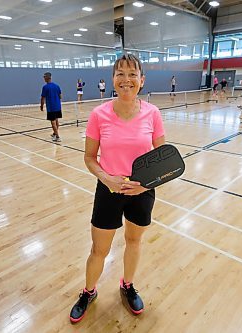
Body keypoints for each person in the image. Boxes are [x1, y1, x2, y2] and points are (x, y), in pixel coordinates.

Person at [69, 54, 165, 323]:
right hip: (108, 191)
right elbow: (89, 157)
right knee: (99, 250)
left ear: (141, 80)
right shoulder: (99, 114)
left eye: (132, 74)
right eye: (120, 74)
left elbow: (163, 158)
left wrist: (145, 184)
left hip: (141, 192)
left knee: (134, 241)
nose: (126, 79)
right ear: (112, 80)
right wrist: (107, 179)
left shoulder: (153, 114)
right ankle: (89, 291)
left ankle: (127, 285)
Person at [40, 72, 63, 142]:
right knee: (56, 121)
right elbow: (60, 96)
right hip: (58, 107)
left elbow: (42, 98)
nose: (43, 78)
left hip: (51, 108)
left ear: (47, 78)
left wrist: (41, 106)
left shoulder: (45, 87)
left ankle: (58, 137)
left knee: (53, 123)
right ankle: (54, 134)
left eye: (44, 77)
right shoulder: (57, 86)